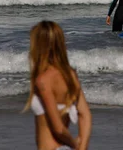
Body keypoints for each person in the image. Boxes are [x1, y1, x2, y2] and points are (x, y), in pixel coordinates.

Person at [24, 21, 92, 150]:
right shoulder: (70, 75)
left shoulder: (43, 80)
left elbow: (58, 129)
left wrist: (75, 145)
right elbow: (85, 115)